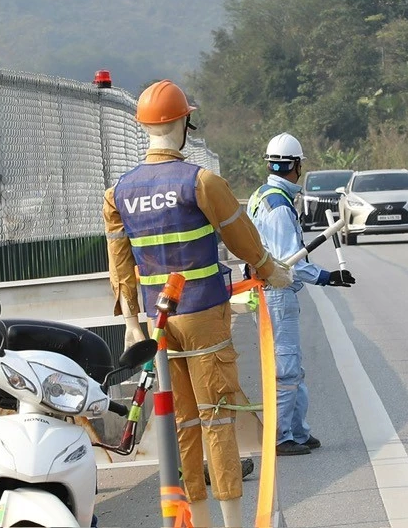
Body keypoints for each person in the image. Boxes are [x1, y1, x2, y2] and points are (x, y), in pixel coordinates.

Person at [105, 80, 291, 528]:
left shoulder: (119, 193)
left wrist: (132, 322)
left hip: (158, 325)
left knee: (183, 426)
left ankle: (200, 522)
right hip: (205, 317)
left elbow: (120, 266)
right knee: (218, 421)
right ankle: (232, 522)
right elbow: (242, 237)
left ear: (146, 128)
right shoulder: (201, 182)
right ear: (182, 122)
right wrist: (272, 271)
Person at [248, 132, 356, 456]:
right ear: (295, 166)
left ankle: (298, 430)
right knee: (287, 368)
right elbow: (289, 262)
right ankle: (281, 437)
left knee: (293, 366)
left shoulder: (261, 195)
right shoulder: (279, 207)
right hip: (277, 293)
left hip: (269, 292)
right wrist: (327, 277)